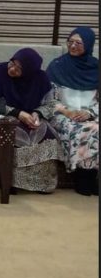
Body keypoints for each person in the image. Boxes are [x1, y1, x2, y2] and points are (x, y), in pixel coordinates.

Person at [0, 48, 62, 193]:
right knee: (17, 134)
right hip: (4, 116)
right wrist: (18, 113)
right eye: (12, 63)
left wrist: (37, 113)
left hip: (32, 117)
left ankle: (41, 184)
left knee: (48, 135)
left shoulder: (41, 78)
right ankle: (11, 182)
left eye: (19, 68)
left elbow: (50, 104)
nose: (12, 69)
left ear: (29, 71)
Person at [37, 27, 98, 195]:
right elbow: (49, 99)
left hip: (91, 114)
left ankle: (89, 177)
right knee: (82, 129)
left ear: (89, 45)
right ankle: (83, 178)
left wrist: (90, 113)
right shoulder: (57, 66)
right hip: (62, 114)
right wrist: (67, 112)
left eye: (78, 43)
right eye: (70, 42)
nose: (73, 46)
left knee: (95, 127)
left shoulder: (96, 68)